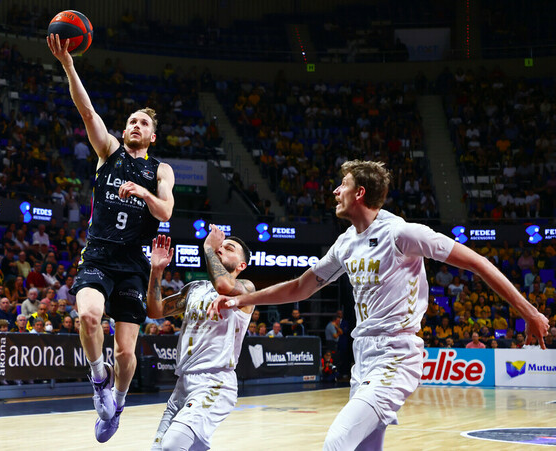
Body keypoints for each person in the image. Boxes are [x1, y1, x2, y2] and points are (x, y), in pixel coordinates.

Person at [207, 161, 550, 451]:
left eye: (342, 186)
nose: (335, 192)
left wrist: (529, 312)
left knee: (336, 443)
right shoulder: (345, 243)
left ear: (359, 194)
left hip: (396, 355)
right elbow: (300, 286)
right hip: (364, 357)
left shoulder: (402, 234)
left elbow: (478, 262)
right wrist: (240, 299)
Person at [48, 32, 176, 443]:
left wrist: (142, 192)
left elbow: (166, 212)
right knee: (87, 315)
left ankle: (117, 402)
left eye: (144, 123)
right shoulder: (109, 153)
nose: (135, 125)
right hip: (99, 256)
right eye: (132, 121)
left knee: (126, 350)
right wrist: (69, 65)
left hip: (134, 264)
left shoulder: (160, 171)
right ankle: (98, 378)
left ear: (153, 136)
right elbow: (86, 111)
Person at [148, 231, 254, 450]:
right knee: (160, 448)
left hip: (215, 382)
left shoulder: (246, 288)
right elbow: (155, 310)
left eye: (230, 248)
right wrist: (156, 271)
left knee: (172, 445)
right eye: (220, 245)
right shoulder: (194, 289)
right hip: (183, 383)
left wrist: (209, 247)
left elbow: (224, 286)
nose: (222, 247)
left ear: (241, 265)